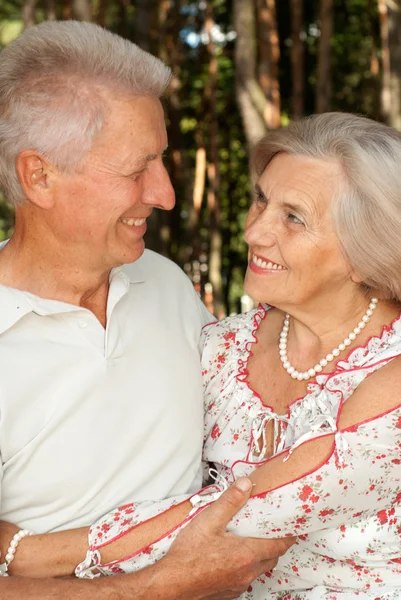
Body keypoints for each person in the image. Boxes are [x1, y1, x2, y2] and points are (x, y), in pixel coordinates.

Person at [7, 112, 401, 599]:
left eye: (294, 217)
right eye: (261, 199)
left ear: (368, 249)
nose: (255, 232)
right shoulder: (221, 346)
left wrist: (29, 553)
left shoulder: (392, 372)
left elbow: (245, 509)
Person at [0, 19, 292, 599]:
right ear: (39, 175)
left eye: (161, 161)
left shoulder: (163, 280)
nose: (165, 194)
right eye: (137, 170)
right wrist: (152, 588)